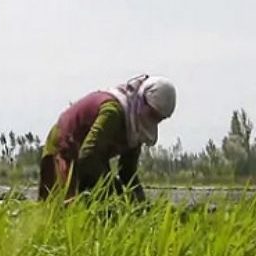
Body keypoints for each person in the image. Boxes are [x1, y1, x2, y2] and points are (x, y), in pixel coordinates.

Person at [39, 76, 177, 203]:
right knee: (60, 212)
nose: (153, 121)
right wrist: (115, 191)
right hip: (64, 147)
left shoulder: (136, 127)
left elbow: (127, 171)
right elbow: (88, 156)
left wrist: (140, 203)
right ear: (142, 101)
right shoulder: (113, 113)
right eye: (152, 115)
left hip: (91, 159)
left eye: (159, 118)